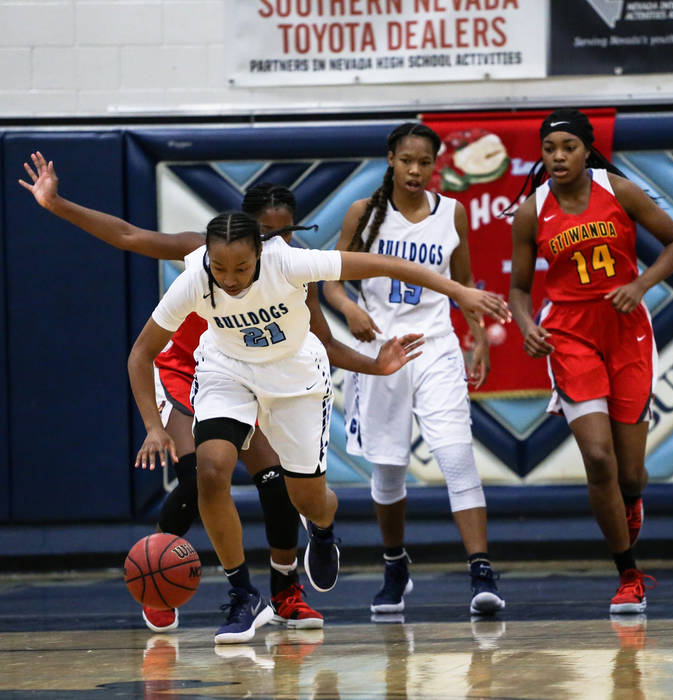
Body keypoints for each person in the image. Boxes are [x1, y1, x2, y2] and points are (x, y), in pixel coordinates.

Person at [17, 154, 432, 636]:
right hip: (190, 372)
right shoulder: (204, 254)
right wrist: (56, 203)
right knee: (202, 474)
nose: (276, 244)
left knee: (276, 481)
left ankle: (284, 592)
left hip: (259, 379)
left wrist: (375, 364)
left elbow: (325, 344)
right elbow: (128, 236)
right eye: (267, 233)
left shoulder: (291, 272)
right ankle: (162, 580)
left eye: (285, 234)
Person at [127, 209, 508, 643]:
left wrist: (459, 290)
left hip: (296, 380)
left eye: (241, 268)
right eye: (220, 268)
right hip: (226, 372)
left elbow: (386, 264)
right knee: (210, 471)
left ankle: (323, 530)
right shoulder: (195, 277)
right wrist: (154, 426)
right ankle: (241, 593)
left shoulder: (289, 263)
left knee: (308, 499)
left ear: (260, 253)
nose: (229, 279)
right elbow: (141, 354)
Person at [507, 109, 673, 614]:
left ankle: (630, 501)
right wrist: (527, 326)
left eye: (568, 147)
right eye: (550, 149)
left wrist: (639, 284)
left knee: (629, 473)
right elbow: (520, 288)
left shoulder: (619, 190)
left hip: (627, 330)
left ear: (586, 150)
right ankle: (627, 573)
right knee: (599, 459)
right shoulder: (532, 210)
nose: (558, 157)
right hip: (569, 334)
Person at [322, 122, 505, 616]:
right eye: (407, 160)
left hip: (436, 346)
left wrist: (478, 338)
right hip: (380, 353)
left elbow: (463, 283)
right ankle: (395, 564)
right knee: (389, 470)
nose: (416, 170)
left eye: (425, 162)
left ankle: (481, 571)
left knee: (455, 455)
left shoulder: (453, 213)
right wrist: (351, 309)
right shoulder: (363, 213)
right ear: (390, 158)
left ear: (435, 165)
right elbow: (332, 284)